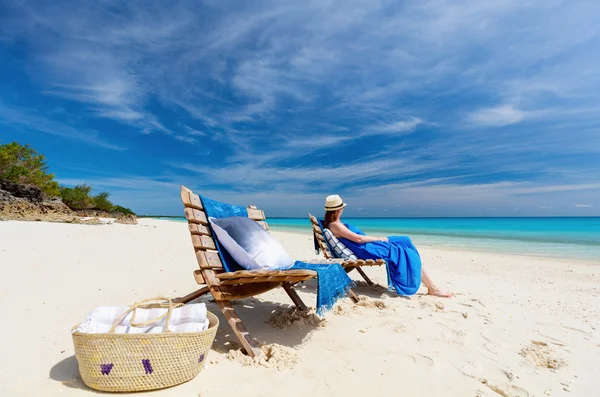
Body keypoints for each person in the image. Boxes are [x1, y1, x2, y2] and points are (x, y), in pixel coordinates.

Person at [323, 194, 452, 298]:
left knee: (405, 240)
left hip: (365, 246)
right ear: (338, 209)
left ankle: (429, 283)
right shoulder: (335, 225)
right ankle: (432, 287)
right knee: (405, 251)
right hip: (365, 250)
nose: (343, 209)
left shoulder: (335, 223)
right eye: (342, 208)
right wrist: (379, 239)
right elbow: (358, 239)